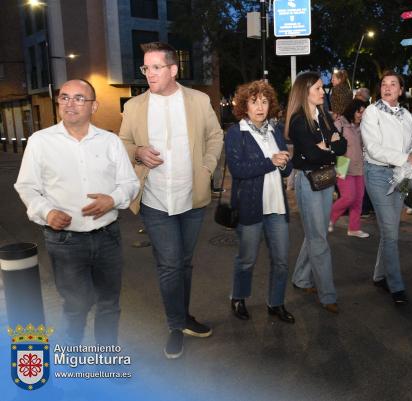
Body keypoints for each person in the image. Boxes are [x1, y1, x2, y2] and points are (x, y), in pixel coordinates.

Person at [14, 79, 139, 345]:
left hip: (107, 237)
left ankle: (106, 357)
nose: (71, 103)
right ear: (58, 102)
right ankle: (72, 358)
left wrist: (112, 199)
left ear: (94, 106)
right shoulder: (41, 141)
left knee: (109, 303)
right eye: (65, 97)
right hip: (65, 241)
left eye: (80, 98)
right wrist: (47, 212)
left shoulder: (110, 142)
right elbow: (26, 186)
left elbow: (130, 183)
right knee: (75, 305)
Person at [119, 42, 223, 359]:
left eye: (156, 67)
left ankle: (184, 316)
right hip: (154, 200)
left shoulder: (198, 100)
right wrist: (137, 152)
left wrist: (206, 168)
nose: (149, 73)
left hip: (191, 198)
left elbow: (215, 136)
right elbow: (122, 141)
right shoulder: (135, 106)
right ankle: (176, 326)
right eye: (145, 68)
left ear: (173, 69)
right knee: (169, 265)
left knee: (184, 263)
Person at [225, 80, 294, 324]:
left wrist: (285, 163)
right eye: (254, 102)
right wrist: (271, 161)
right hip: (250, 208)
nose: (260, 107)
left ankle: (276, 303)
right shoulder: (236, 133)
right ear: (245, 105)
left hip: (276, 207)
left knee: (282, 261)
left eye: (264, 102)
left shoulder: (275, 130)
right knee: (246, 260)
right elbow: (238, 169)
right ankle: (239, 297)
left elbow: (286, 170)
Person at [361, 70, 412, 305]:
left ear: (401, 90)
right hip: (377, 174)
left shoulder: (407, 115)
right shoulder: (372, 111)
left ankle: (379, 275)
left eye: (393, 84)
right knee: (390, 232)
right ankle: (396, 286)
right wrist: (408, 159)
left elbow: (411, 145)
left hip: (401, 174)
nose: (387, 87)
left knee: (391, 230)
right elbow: (374, 149)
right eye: (384, 84)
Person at [287, 71, 347, 314]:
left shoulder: (323, 115)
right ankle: (327, 294)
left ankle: (301, 278)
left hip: (326, 179)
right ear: (305, 92)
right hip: (308, 181)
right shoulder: (299, 120)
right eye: (318, 89)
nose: (323, 92)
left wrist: (328, 146)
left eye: (323, 88)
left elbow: (343, 146)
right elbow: (311, 155)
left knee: (316, 234)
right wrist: (329, 146)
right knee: (319, 239)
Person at [329, 99, 369, 238]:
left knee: (358, 199)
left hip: (359, 166)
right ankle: (329, 218)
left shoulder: (362, 127)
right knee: (348, 197)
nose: (361, 115)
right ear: (353, 110)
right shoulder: (340, 123)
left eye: (363, 112)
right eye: (359, 111)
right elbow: (332, 144)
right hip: (342, 164)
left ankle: (354, 228)